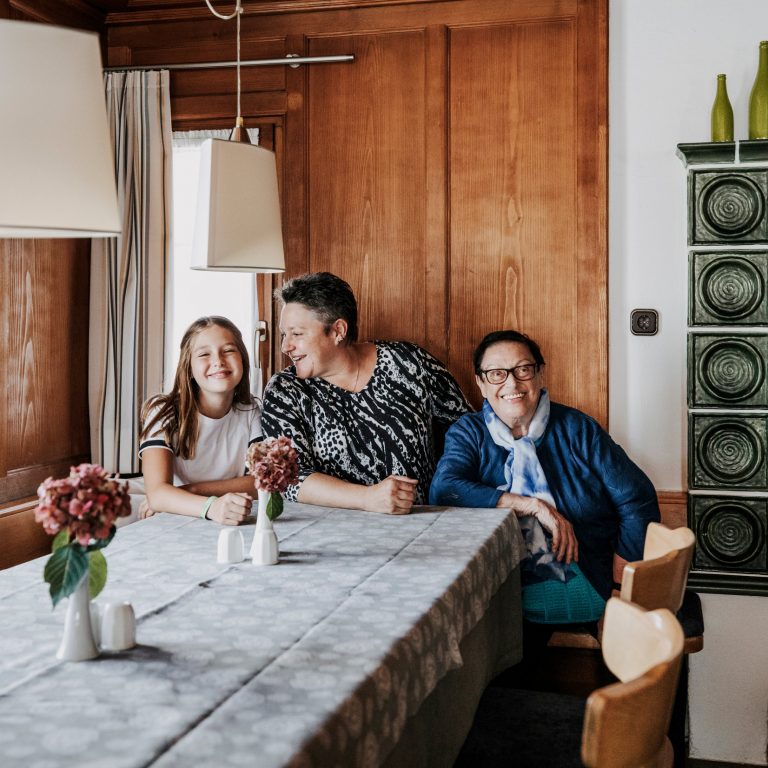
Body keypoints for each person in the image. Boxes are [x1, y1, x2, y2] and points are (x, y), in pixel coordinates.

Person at [430, 329, 660, 628]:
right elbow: (445, 490)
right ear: (481, 384)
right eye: (497, 374)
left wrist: (621, 589)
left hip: (586, 576)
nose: (512, 382)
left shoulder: (578, 429)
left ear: (539, 375)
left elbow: (637, 499)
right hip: (495, 583)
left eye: (523, 369)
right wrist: (533, 506)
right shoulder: (468, 432)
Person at [261, 272, 470, 514]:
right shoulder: (285, 390)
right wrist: (367, 498)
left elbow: (467, 429)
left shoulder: (409, 363)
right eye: (284, 334)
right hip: (330, 531)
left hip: (422, 522)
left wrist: (451, 485)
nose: (286, 346)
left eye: (297, 334)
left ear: (338, 330)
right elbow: (287, 476)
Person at [138, 316, 261, 525]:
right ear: (189, 368)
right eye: (204, 354)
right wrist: (210, 506)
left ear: (243, 359)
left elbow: (260, 481)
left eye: (229, 350)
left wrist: (190, 490)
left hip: (222, 508)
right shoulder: (163, 411)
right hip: (173, 512)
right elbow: (157, 494)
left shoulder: (251, 411)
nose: (218, 361)